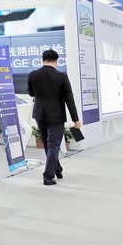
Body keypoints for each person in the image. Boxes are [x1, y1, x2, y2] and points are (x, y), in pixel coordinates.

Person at [27, 49, 81, 186]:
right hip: (56, 115)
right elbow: (69, 99)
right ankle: (48, 176)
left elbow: (31, 93)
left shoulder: (33, 75)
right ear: (56, 61)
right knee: (54, 144)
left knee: (48, 144)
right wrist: (75, 119)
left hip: (40, 114)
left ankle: (57, 168)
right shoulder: (61, 76)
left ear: (42, 59)